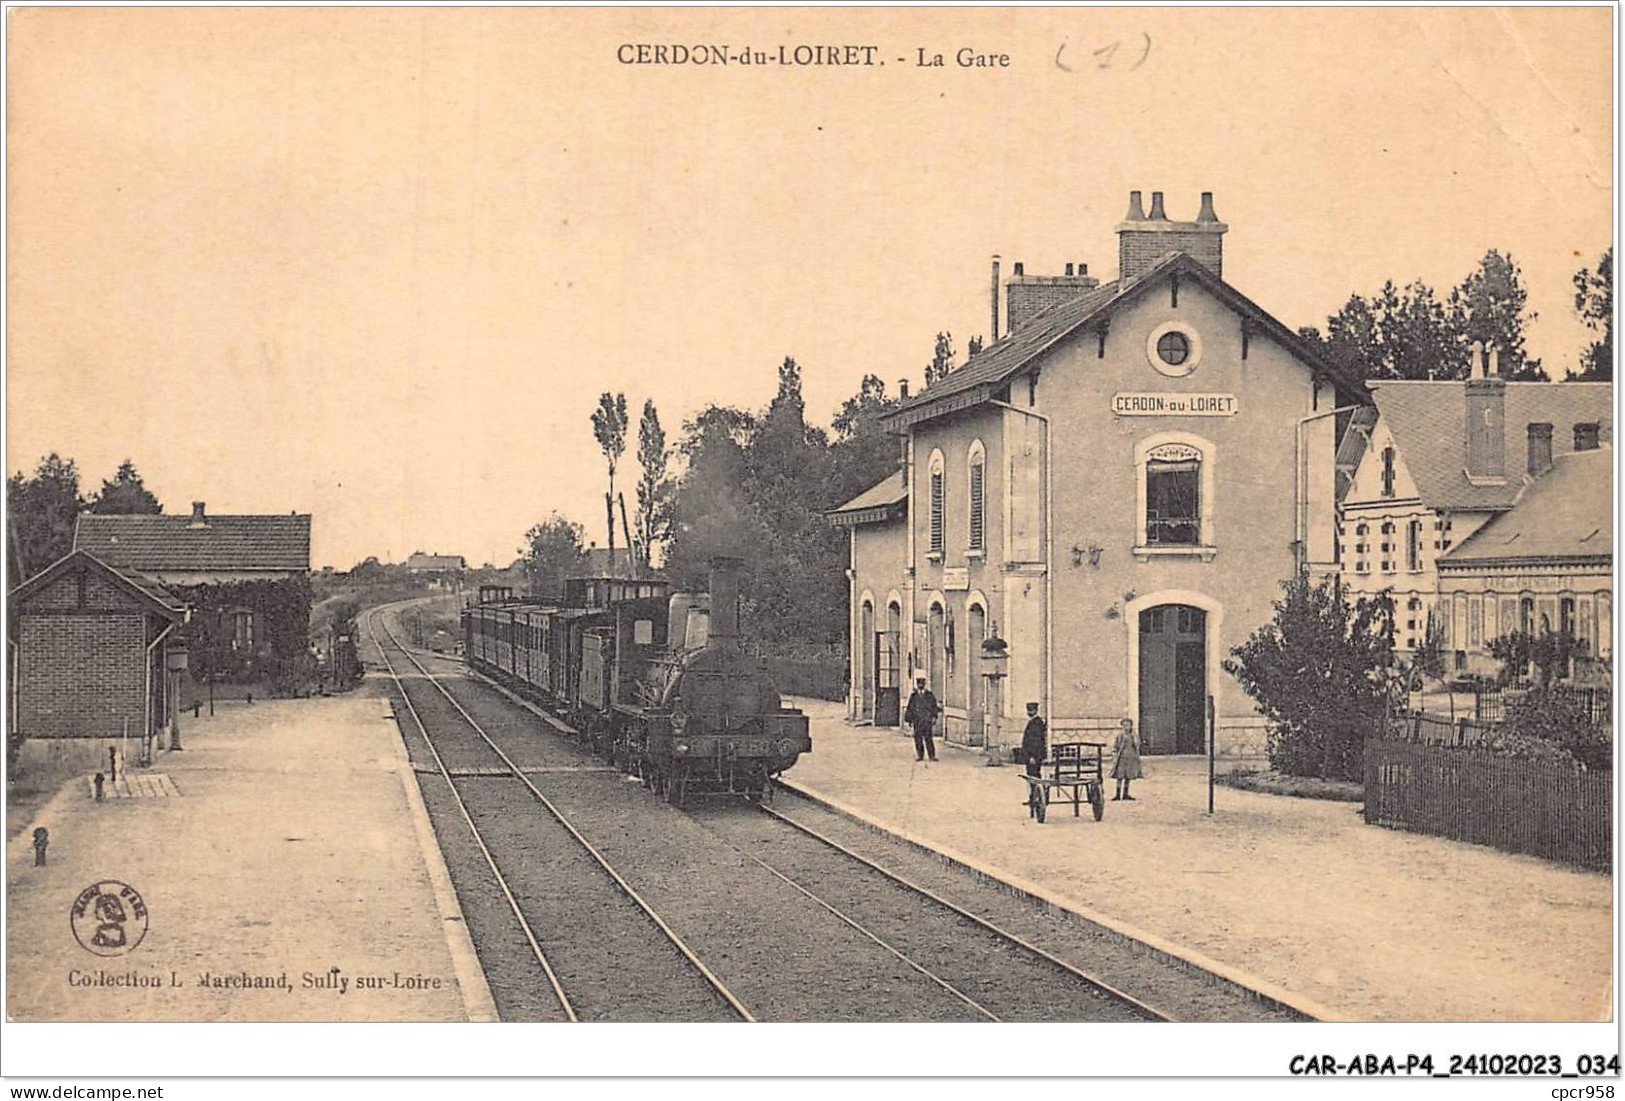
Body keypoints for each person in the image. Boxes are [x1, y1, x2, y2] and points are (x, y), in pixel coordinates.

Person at [902, 676, 939, 762]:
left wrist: (934, 717)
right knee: (918, 739)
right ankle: (920, 756)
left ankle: (932, 756)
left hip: (927, 720)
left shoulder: (929, 695)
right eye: (919, 684)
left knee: (928, 738)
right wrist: (909, 720)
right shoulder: (913, 696)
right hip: (917, 721)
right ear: (917, 685)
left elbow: (934, 707)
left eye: (922, 684)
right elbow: (910, 708)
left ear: (924, 685)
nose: (920, 685)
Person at [1112, 717, 1143, 800]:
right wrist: (1115, 755)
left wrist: (1134, 736)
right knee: (1119, 776)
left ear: (1131, 726)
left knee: (1128, 776)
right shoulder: (1120, 735)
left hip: (1130, 758)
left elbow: (1137, 744)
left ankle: (1126, 794)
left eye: (1127, 725)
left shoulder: (1133, 735)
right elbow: (1115, 746)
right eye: (1124, 726)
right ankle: (1118, 794)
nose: (1126, 727)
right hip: (1121, 758)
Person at [1020, 702, 1047, 779]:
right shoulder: (1032, 722)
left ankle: (1036, 791)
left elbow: (1037, 742)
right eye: (1028, 710)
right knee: (1031, 775)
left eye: (1031, 710)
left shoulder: (1037, 723)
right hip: (1030, 755)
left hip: (1034, 756)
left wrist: (1033, 756)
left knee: (1034, 775)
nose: (1029, 712)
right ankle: (1034, 790)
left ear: (1036, 711)